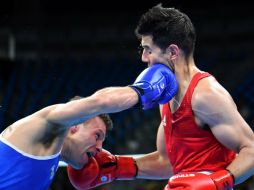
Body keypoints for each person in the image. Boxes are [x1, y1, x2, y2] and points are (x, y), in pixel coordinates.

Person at [67, 4, 254, 190]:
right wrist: (118, 166)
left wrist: (217, 182)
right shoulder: (165, 95)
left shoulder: (206, 95)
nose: (144, 58)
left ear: (172, 52)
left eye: (148, 49)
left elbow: (251, 150)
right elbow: (167, 161)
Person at [0, 62, 178, 190]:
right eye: (97, 135)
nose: (100, 148)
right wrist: (142, 91)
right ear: (74, 125)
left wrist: (119, 166)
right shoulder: (48, 124)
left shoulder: (51, 151)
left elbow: (169, 166)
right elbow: (100, 102)